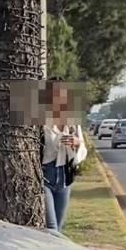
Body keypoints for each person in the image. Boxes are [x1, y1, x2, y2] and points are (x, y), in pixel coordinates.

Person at [40, 79, 87, 230]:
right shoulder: (41, 121)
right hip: (45, 176)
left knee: (59, 227)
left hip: (65, 178)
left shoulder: (72, 122)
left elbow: (82, 150)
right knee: (51, 227)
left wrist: (77, 142)